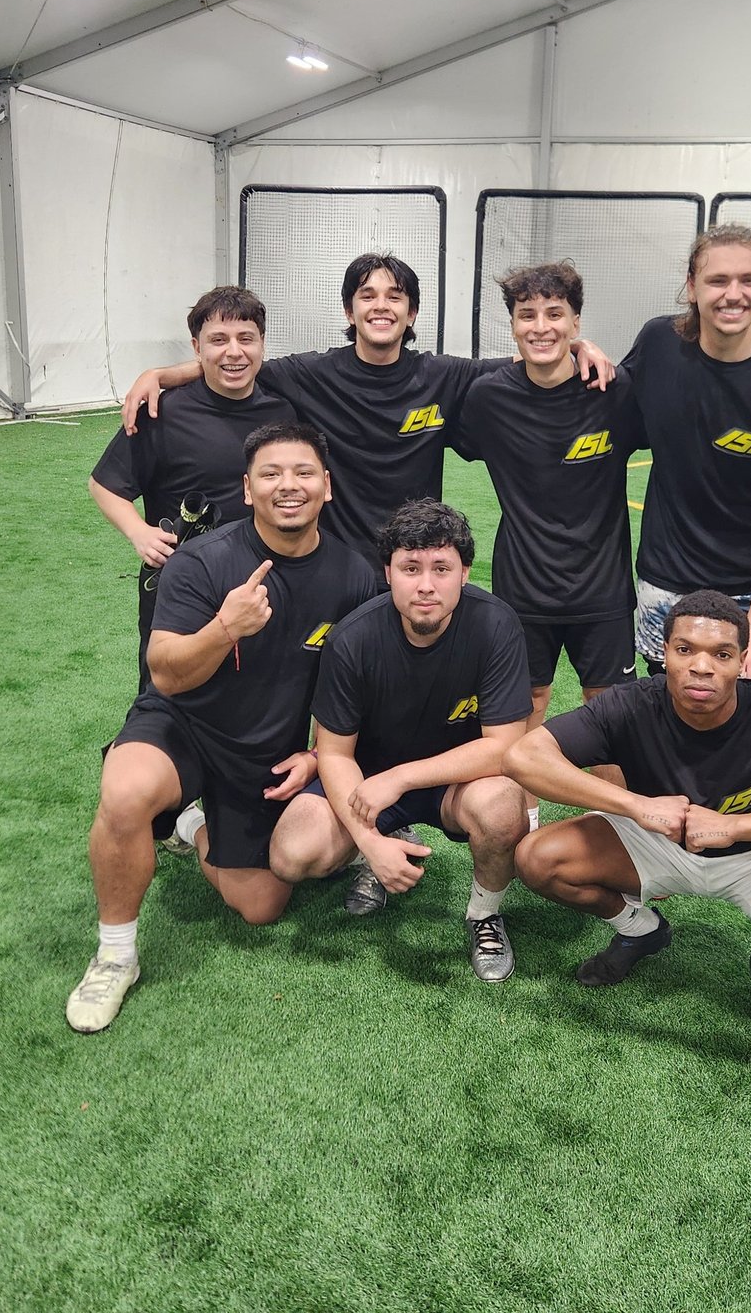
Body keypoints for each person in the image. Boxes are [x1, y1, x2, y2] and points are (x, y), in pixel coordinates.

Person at [66, 422, 380, 1034]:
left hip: (268, 751)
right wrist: (224, 629)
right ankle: (115, 956)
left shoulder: (355, 576)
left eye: (303, 473)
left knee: (261, 907)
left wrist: (319, 756)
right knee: (125, 791)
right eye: (270, 474)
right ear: (246, 489)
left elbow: (355, 691)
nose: (287, 486)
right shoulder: (202, 563)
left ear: (328, 487)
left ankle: (192, 822)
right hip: (184, 725)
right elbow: (165, 674)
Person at [505, 591, 751, 1047]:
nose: (701, 666)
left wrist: (737, 826)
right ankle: (639, 932)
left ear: (742, 661)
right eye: (685, 649)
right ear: (664, 652)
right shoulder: (631, 704)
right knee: (538, 859)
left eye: (722, 654)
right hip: (653, 840)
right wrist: (635, 806)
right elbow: (523, 757)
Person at [120, 253, 613, 554]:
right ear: (349, 311)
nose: (382, 305)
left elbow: (527, 358)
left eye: (395, 296)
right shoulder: (310, 374)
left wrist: (574, 346)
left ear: (411, 312)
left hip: (412, 557)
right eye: (367, 295)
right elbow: (238, 364)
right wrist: (161, 374)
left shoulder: (444, 376)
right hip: (336, 557)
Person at [268, 501, 531, 981]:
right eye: (410, 568)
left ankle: (484, 914)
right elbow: (334, 752)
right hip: (365, 780)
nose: (426, 585)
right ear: (388, 572)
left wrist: (402, 778)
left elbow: (504, 746)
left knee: (502, 808)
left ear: (464, 574)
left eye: (441, 568)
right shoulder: (353, 638)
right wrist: (370, 842)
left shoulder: (496, 626)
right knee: (291, 854)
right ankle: (388, 840)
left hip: (454, 781)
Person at [452, 261, 641, 827]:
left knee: (609, 715)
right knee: (524, 711)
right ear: (511, 325)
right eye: (527, 315)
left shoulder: (612, 389)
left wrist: (594, 352)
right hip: (522, 589)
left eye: (555, 314)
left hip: (604, 587)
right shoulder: (487, 399)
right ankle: (523, 824)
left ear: (575, 321)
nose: (541, 326)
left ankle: (615, 832)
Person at [625, 225, 751, 689]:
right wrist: (574, 349)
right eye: (718, 280)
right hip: (666, 583)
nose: (733, 294)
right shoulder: (658, 345)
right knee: (664, 729)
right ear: (691, 287)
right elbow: (604, 400)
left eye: (749, 280)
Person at [89, 286, 294, 693]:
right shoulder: (162, 412)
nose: (233, 352)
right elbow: (104, 484)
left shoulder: (284, 412)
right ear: (196, 347)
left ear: (262, 344)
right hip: (180, 586)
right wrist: (138, 532)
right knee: (169, 691)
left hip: (263, 584)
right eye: (218, 340)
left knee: (258, 694)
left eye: (245, 339)